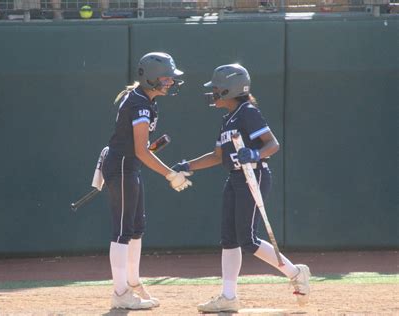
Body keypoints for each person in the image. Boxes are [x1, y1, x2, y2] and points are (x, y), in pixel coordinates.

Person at [171, 64, 310, 313]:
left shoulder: (247, 112)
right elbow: (216, 156)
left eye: (215, 88)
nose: (212, 93)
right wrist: (187, 165)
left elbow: (273, 144)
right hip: (235, 178)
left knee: (248, 239)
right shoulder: (228, 119)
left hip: (252, 176)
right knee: (229, 238)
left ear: (229, 89)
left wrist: (255, 153)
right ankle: (228, 296)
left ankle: (296, 272)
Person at [102, 52, 192, 310]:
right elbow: (139, 151)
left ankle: (131, 282)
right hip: (122, 167)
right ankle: (120, 292)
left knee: (136, 227)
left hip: (128, 166)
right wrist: (170, 174)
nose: (171, 82)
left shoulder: (145, 100)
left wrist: (148, 150)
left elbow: (139, 148)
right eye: (166, 78)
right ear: (150, 77)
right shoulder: (140, 103)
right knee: (122, 230)